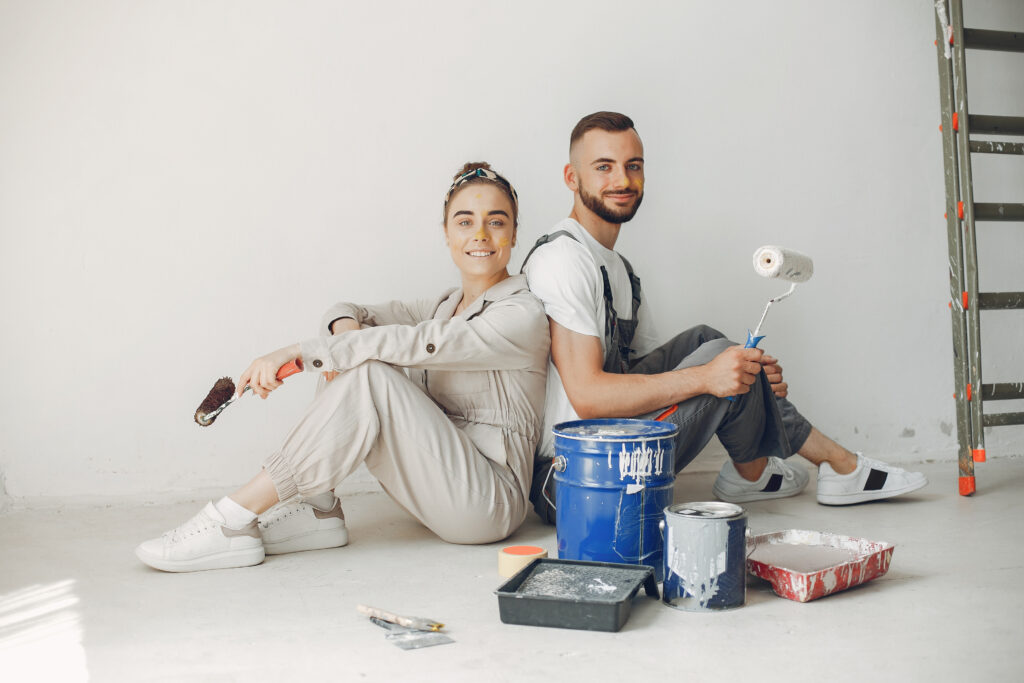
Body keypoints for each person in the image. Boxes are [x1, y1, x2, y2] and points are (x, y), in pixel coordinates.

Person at [137, 162, 549, 572]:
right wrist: (343, 338)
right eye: (465, 222)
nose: (479, 235)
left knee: (366, 368)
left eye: (496, 222)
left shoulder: (521, 314)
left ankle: (230, 518)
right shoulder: (442, 307)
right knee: (352, 355)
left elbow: (417, 342)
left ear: (514, 233)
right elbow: (348, 311)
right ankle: (320, 512)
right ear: (446, 233)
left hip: (489, 502)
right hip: (441, 484)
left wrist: (301, 353)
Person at [523, 112, 927, 523]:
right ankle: (834, 463)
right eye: (603, 167)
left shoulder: (620, 270)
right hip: (573, 482)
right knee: (717, 358)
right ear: (572, 178)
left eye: (634, 166)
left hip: (606, 458)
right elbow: (590, 397)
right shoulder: (564, 259)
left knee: (707, 342)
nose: (622, 180)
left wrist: (750, 382)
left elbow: (654, 379)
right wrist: (710, 376)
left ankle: (750, 472)